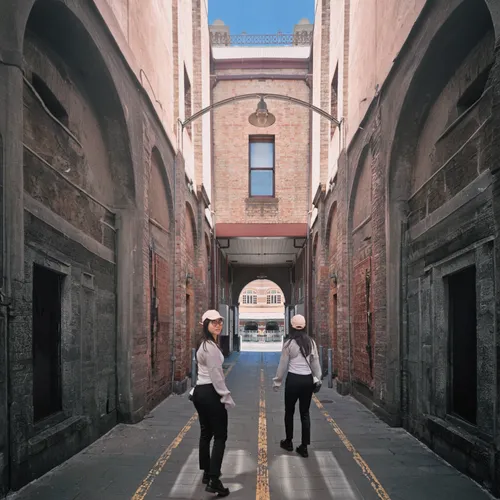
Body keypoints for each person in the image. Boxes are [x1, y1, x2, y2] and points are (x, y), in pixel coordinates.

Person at [192, 310, 235, 497]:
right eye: (213, 322)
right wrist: (225, 396)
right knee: (220, 436)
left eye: (219, 322)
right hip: (211, 392)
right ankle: (214, 480)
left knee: (205, 433)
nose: (218, 325)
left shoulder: (204, 345)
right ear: (205, 324)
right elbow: (217, 375)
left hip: (200, 392)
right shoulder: (210, 347)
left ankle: (206, 472)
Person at [273, 314, 322, 458]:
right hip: (307, 381)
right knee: (305, 413)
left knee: (289, 411)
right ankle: (304, 447)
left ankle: (288, 442)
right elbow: (315, 363)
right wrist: (318, 379)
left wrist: (277, 381)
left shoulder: (288, 344)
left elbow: (283, 365)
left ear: (292, 327)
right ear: (305, 326)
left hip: (293, 380)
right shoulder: (311, 343)